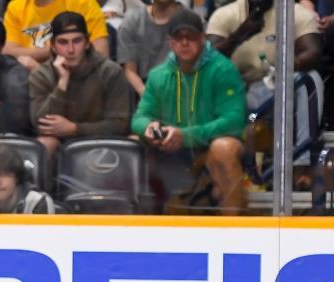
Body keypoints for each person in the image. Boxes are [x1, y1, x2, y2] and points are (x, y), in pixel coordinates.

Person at [131, 10, 247, 213]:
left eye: (191, 37)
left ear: (203, 38)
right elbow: (139, 117)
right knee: (132, 142)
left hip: (209, 147)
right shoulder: (159, 75)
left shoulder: (223, 69)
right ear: (170, 42)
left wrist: (185, 135)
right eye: (178, 38)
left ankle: (234, 224)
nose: (184, 43)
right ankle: (133, 222)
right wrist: (149, 127)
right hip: (171, 150)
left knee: (224, 147)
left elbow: (235, 121)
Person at [207, 0, 323, 172]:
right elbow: (206, 60)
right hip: (243, 92)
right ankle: (248, 169)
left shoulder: (295, 12)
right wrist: (237, 37)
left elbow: (313, 51)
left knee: (312, 80)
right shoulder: (225, 15)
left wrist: (290, 64)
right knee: (250, 120)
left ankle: (302, 162)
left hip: (283, 85)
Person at [29, 11, 131, 159]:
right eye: (63, 42)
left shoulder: (110, 72)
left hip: (101, 143)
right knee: (45, 144)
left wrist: (74, 129)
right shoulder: (41, 75)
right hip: (59, 145)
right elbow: (43, 126)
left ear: (88, 42)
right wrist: (62, 84)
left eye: (77, 41)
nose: (70, 50)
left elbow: (120, 124)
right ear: (52, 46)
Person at [1, 0, 109, 71]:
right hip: (28, 81)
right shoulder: (16, 7)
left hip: (77, 79)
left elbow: (101, 54)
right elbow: (6, 50)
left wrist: (53, 51)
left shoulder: (83, 3)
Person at [117, 0, 186, 97]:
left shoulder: (191, 22)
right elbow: (130, 71)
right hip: (143, 91)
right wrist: (147, 95)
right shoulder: (132, 22)